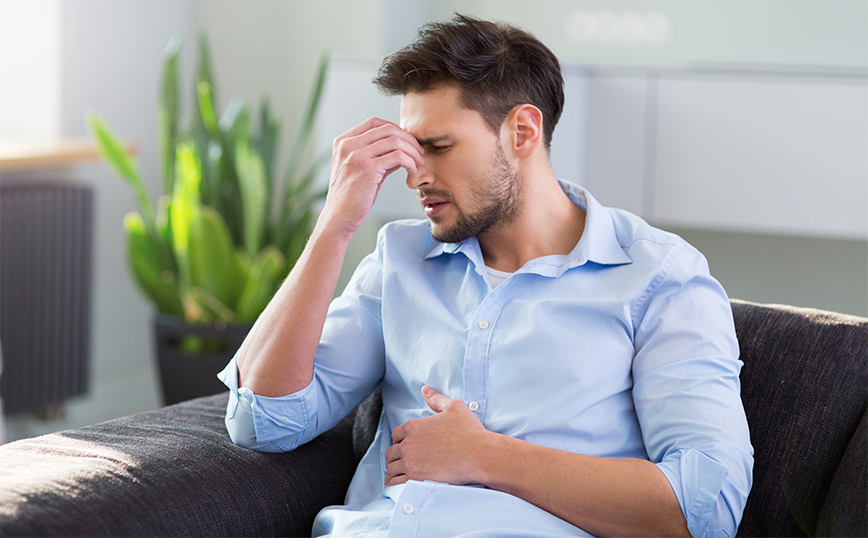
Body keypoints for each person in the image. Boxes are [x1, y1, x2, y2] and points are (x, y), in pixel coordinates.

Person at [218, 14, 753, 538]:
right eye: (411, 149)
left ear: (522, 131)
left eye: (438, 147)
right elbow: (264, 422)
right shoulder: (398, 259)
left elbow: (704, 511)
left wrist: (483, 456)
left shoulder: (659, 278)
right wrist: (333, 227)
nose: (415, 175)